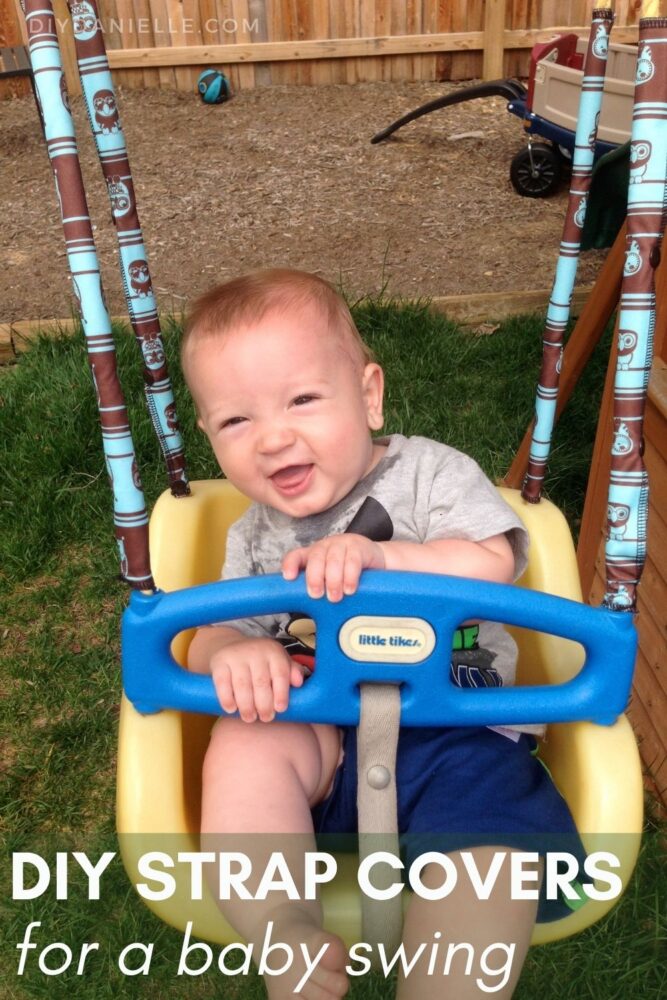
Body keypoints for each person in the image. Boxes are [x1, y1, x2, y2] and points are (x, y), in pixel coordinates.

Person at [182, 268, 582, 1000]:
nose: (273, 438)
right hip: (321, 739)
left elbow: (492, 558)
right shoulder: (253, 535)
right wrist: (236, 652)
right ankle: (284, 931)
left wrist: (385, 557)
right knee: (246, 744)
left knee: (490, 855)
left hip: (457, 733)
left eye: (303, 399)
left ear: (368, 395)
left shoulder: (429, 475)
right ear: (208, 436)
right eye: (236, 421)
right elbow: (215, 631)